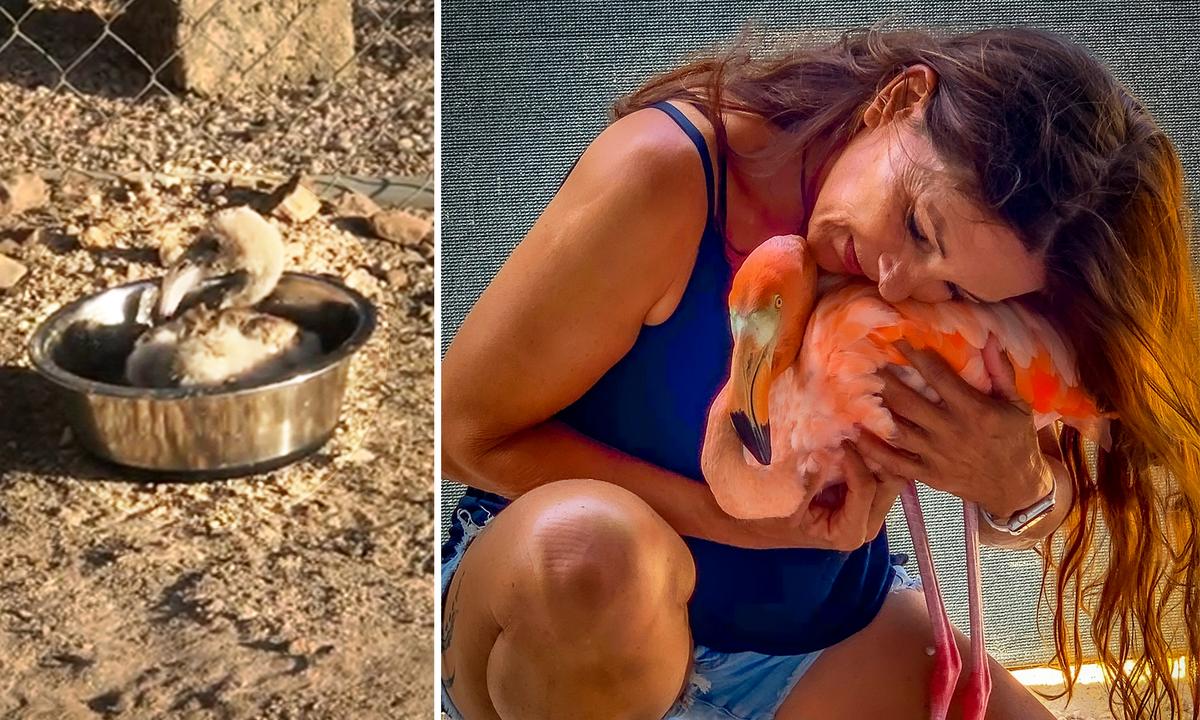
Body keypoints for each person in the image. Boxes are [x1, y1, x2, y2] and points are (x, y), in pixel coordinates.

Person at [441, 25, 1200, 720]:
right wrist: (752, 520)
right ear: (901, 98)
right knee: (589, 555)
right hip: (562, 615)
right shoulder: (668, 175)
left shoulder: (950, 279)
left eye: (961, 290)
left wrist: (1014, 489)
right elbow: (460, 436)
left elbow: (1068, 477)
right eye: (915, 223)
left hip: (809, 638)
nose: (900, 284)